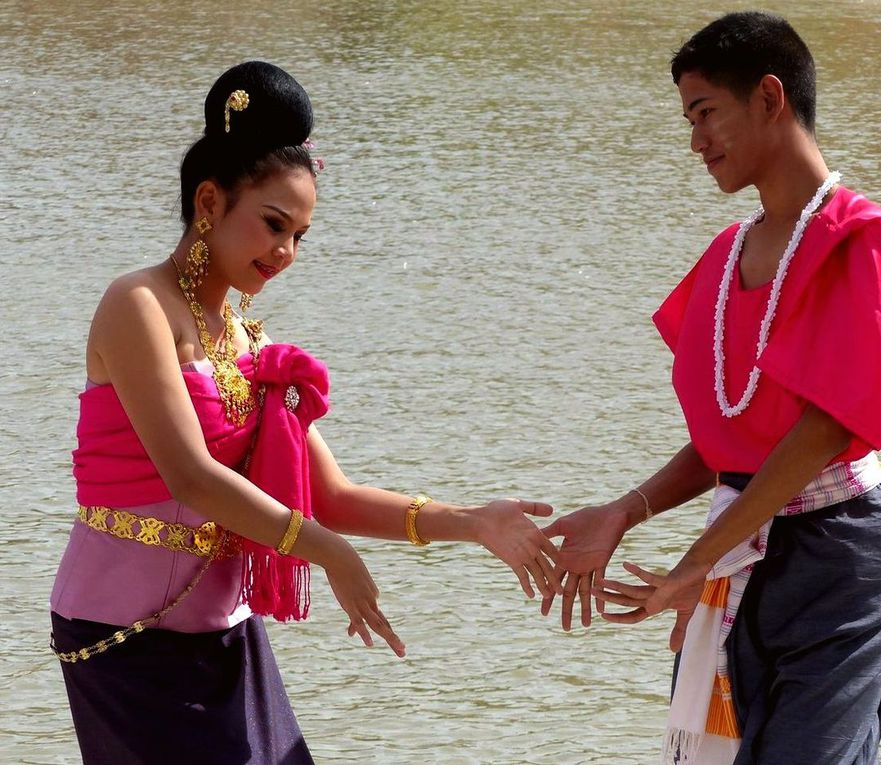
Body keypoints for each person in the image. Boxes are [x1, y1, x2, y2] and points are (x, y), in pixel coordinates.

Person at [50, 60, 560, 764]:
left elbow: (331, 494)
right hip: (125, 639)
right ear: (208, 201)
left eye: (300, 236)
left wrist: (469, 522)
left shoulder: (251, 346)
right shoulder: (136, 305)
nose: (286, 252)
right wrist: (327, 550)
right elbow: (191, 477)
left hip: (223, 632)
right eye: (273, 225)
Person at [541, 12, 881, 765]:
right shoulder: (725, 254)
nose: (695, 141)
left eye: (706, 112)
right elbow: (733, 441)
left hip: (841, 556)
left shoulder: (858, 237)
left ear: (769, 98)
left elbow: (818, 433)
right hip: (744, 549)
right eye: (689, 118)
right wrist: (626, 509)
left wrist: (693, 564)